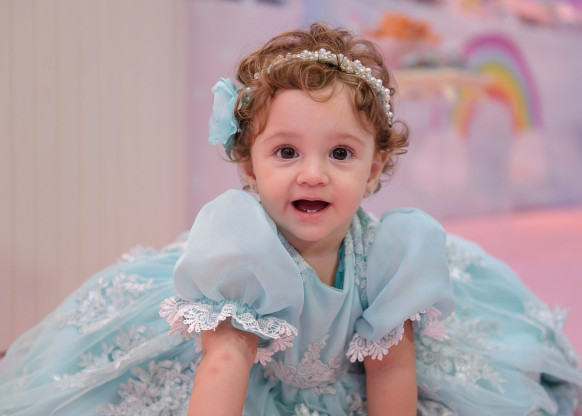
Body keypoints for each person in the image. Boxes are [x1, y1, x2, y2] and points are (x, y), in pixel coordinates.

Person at [0, 23, 581, 416]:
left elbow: (391, 369)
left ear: (375, 168)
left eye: (341, 153)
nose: (313, 174)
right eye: (286, 152)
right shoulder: (242, 249)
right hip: (246, 380)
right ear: (248, 166)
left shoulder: (392, 255)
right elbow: (226, 361)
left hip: (341, 380)